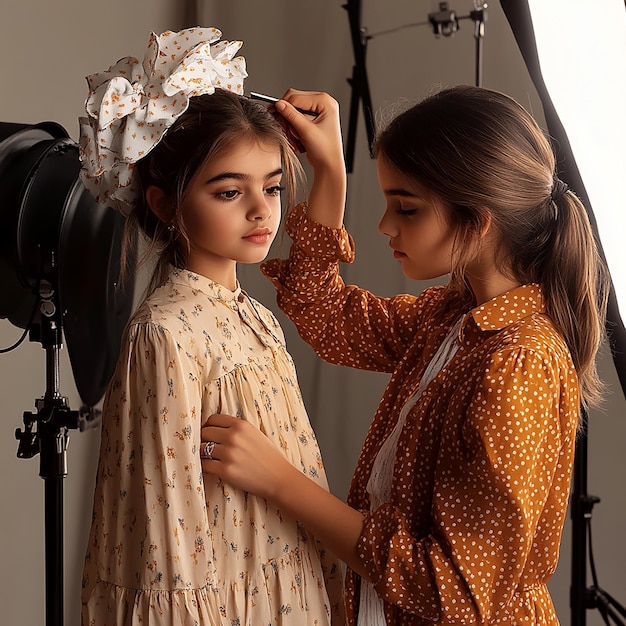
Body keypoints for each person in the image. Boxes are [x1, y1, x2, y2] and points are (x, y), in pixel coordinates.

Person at [200, 85, 610, 625]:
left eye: (407, 208)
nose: (385, 226)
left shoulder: (519, 367)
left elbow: (455, 593)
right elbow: (323, 312)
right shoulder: (452, 320)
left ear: (477, 220)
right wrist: (330, 172)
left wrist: (282, 483)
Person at [79, 29, 345, 625]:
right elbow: (162, 540)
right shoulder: (167, 334)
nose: (262, 210)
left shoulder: (255, 319)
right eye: (229, 192)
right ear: (164, 204)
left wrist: (330, 168)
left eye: (272, 187)